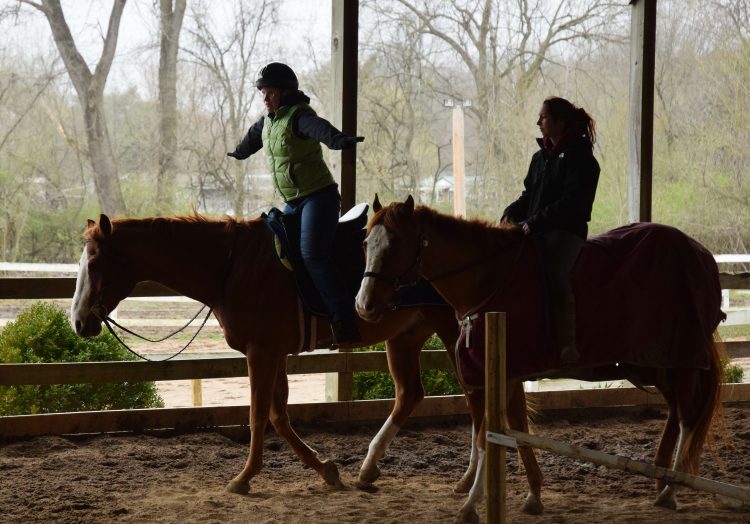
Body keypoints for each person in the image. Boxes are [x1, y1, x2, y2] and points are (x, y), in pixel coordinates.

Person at [228, 62, 364, 346]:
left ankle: (343, 318)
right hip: (293, 201)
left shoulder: (299, 116)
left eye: (270, 93)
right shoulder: (268, 122)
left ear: (286, 93)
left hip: (319, 197)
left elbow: (319, 129)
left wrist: (338, 140)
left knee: (312, 254)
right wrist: (239, 153)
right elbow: (253, 140)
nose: (265, 98)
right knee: (276, 249)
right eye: (262, 93)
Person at [501, 96, 600, 366]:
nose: (538, 122)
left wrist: (533, 222)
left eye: (543, 117)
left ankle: (567, 344)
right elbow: (529, 195)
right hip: (538, 229)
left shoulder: (581, 157)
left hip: (565, 232)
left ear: (560, 121)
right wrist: (510, 213)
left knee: (556, 272)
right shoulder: (540, 158)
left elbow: (571, 203)